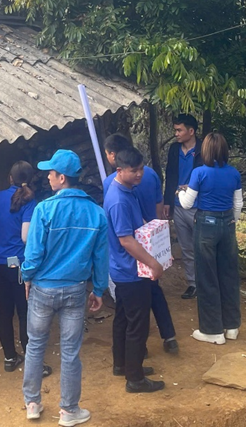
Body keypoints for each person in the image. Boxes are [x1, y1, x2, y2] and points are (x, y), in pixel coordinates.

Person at [21, 149, 108, 426]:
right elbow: (101, 258)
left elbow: (33, 254)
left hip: (43, 290)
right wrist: (99, 290)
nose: (47, 177)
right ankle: (69, 411)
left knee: (35, 345)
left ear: (61, 178)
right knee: (70, 352)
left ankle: (32, 403)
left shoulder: (44, 209)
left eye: (51, 173)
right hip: (74, 291)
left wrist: (26, 277)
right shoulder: (96, 214)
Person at [102, 134, 178, 354]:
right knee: (154, 292)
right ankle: (168, 335)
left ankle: (137, 351)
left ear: (113, 156)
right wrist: (159, 243)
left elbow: (116, 226)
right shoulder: (150, 174)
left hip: (131, 255)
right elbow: (159, 208)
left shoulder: (112, 183)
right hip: (150, 244)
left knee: (131, 309)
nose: (138, 173)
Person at [104, 147, 166, 394]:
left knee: (123, 319)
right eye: (134, 170)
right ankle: (135, 378)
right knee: (138, 325)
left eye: (141, 169)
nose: (140, 174)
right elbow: (126, 240)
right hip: (131, 271)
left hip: (122, 269)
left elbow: (136, 225)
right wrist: (153, 263)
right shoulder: (119, 200)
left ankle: (122, 365)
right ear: (119, 170)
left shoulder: (127, 190)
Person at [0, 161, 51, 377]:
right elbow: (25, 237)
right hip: (19, 266)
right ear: (30, 180)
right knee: (24, 312)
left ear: (10, 178)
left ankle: (10, 358)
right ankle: (33, 363)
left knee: (4, 310)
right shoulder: (30, 202)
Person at [178, 132, 243, 345]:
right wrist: (230, 221)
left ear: (205, 151)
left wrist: (180, 192)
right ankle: (231, 326)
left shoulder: (199, 172)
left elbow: (187, 204)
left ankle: (212, 330)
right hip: (227, 224)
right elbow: (238, 204)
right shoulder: (233, 173)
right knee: (228, 274)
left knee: (207, 277)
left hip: (206, 225)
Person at [164, 113, 201, 299]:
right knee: (186, 248)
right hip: (178, 205)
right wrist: (167, 202)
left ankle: (207, 283)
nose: (176, 134)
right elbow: (170, 175)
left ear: (191, 131)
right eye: (175, 130)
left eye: (179, 130)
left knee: (202, 247)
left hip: (199, 206)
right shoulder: (174, 149)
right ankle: (193, 284)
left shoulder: (204, 149)